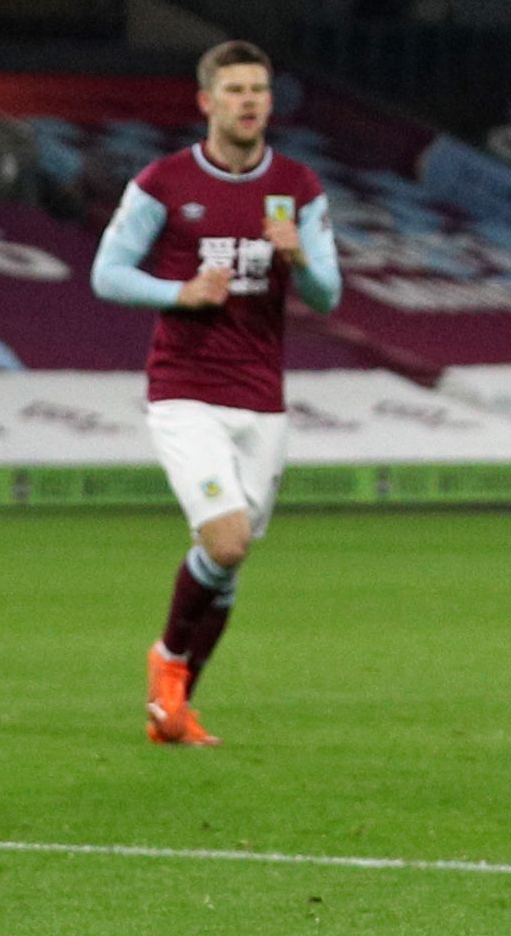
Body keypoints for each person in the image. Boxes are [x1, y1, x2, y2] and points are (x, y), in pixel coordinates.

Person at [90, 41, 343, 747]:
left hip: (262, 399)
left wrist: (296, 255)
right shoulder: (164, 182)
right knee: (226, 542)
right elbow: (107, 273)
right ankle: (168, 661)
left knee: (227, 563)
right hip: (186, 390)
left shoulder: (298, 186)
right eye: (233, 89)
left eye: (258, 88)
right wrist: (180, 290)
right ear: (206, 101)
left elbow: (328, 293)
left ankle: (176, 710)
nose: (248, 100)